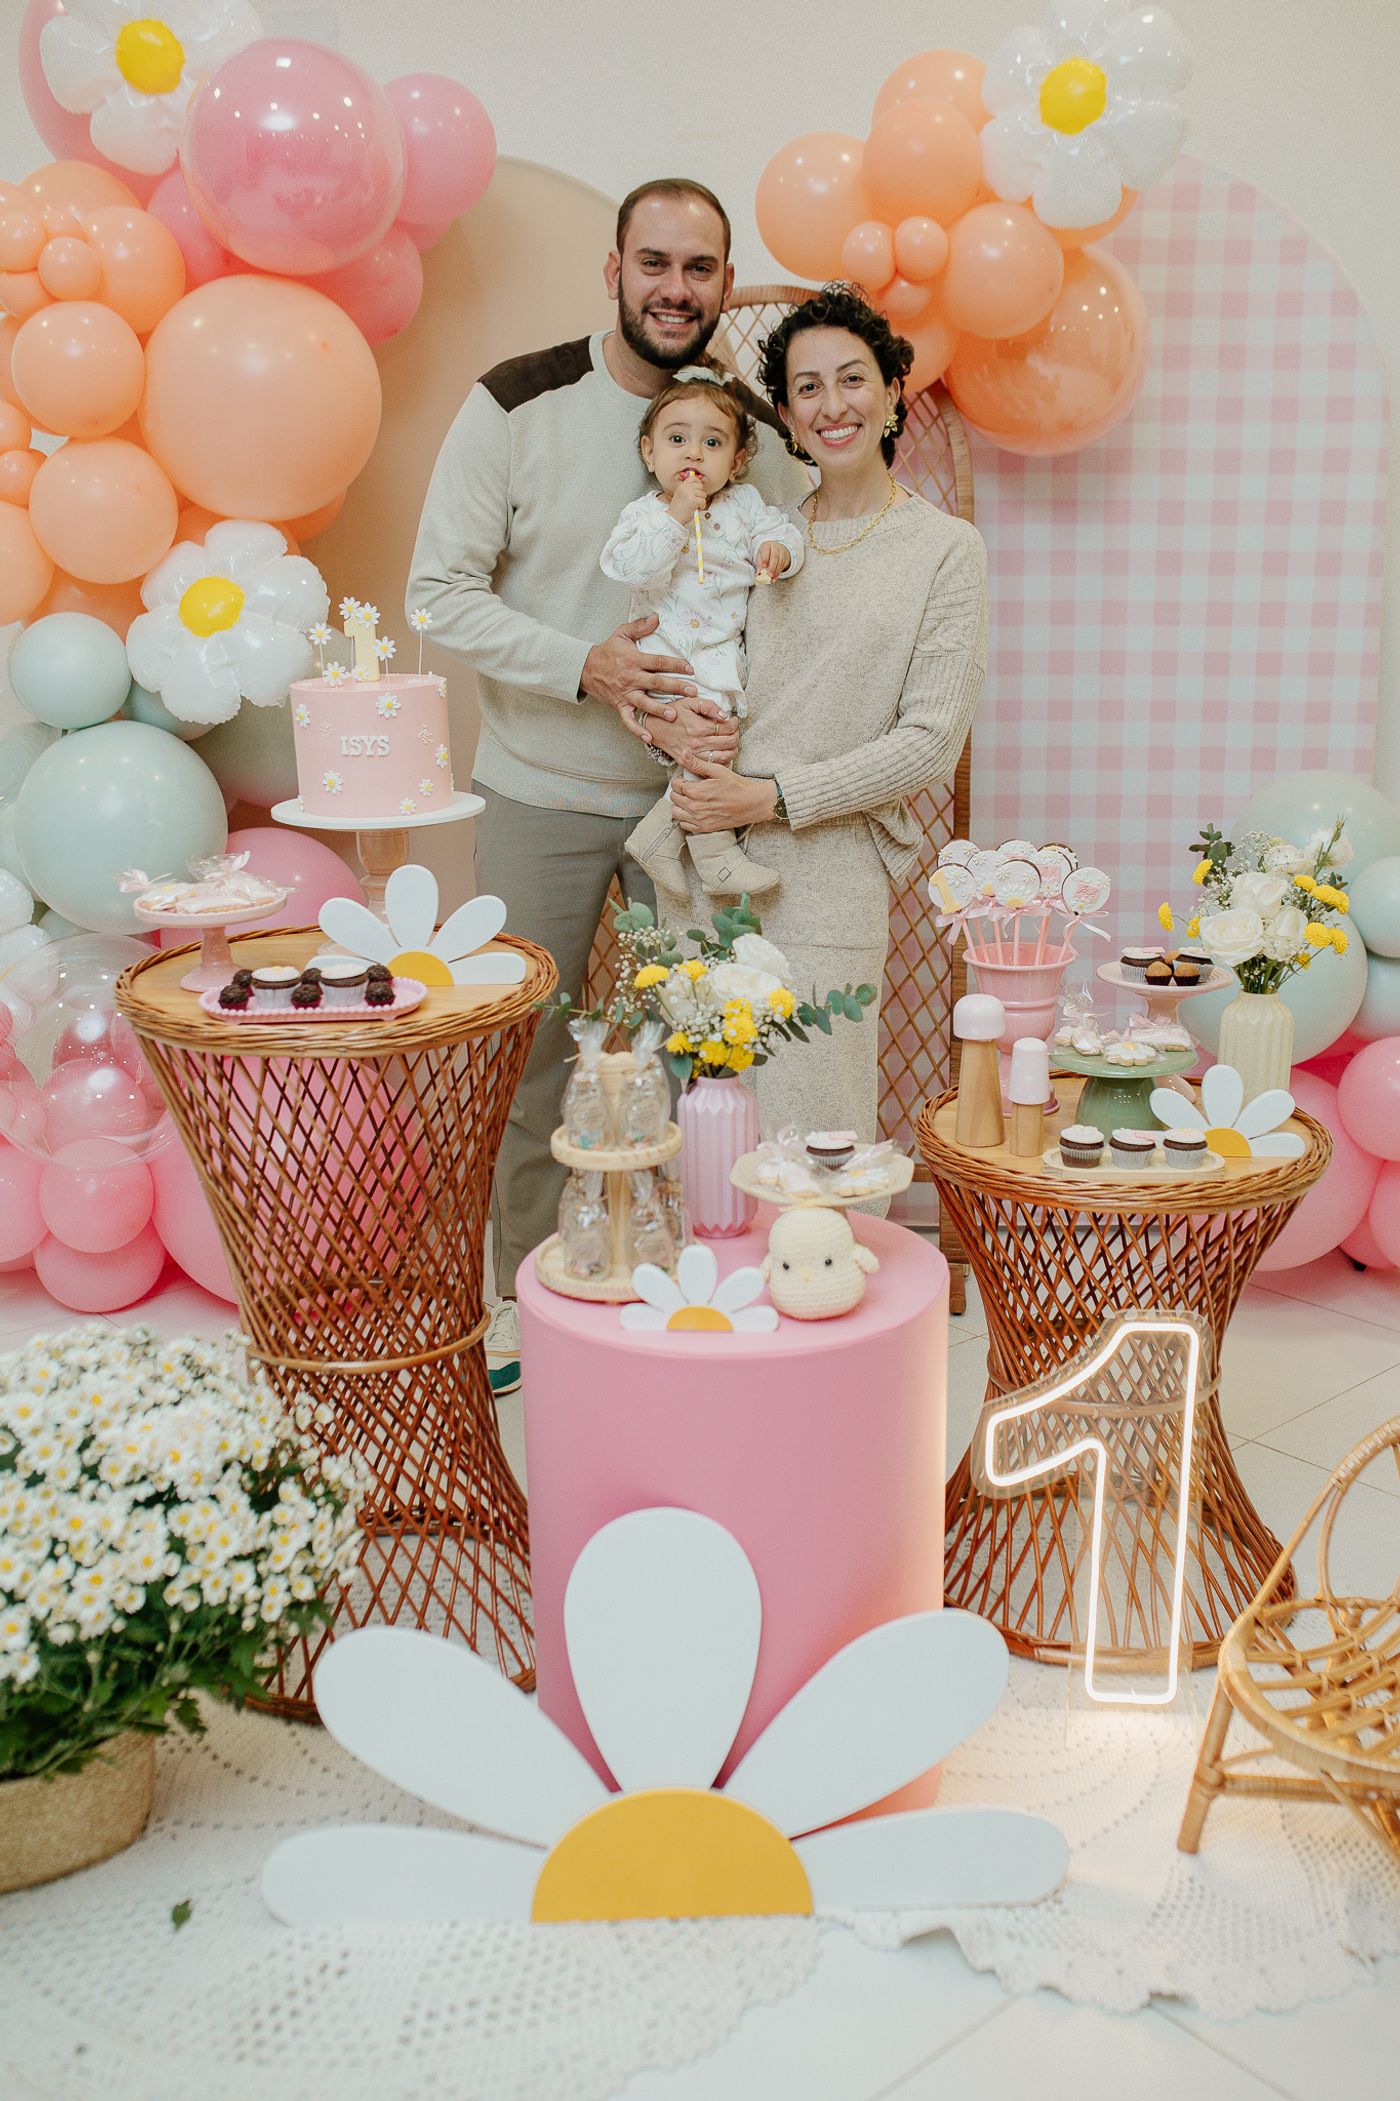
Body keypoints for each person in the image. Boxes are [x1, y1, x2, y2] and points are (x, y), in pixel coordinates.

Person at [407, 178, 804, 1395]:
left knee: (714, 1055)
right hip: (544, 787)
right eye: (654, 263)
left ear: (724, 283)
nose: (675, 289)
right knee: (530, 1057)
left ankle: (702, 1285)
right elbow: (438, 593)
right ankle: (530, 1303)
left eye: (699, 268)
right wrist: (584, 664)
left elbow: (797, 601)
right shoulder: (515, 400)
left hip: (699, 802)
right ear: (613, 270)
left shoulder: (756, 433)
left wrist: (754, 753)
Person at [634, 282, 989, 1151]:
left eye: (852, 378)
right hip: (709, 865)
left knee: (817, 1141)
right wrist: (664, 725)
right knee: (708, 1134)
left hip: (830, 878)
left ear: (893, 393)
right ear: (788, 417)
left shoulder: (945, 549)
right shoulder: (748, 538)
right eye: (807, 387)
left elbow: (929, 744)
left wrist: (768, 798)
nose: (833, 405)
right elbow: (683, 652)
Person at [603, 366, 805, 898]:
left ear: (735, 462)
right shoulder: (644, 514)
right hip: (665, 655)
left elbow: (782, 531)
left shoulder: (744, 505)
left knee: (715, 744)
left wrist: (779, 552)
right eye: (677, 440)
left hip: (719, 655)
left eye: (712, 443)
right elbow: (630, 568)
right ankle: (716, 857)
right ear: (650, 453)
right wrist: (674, 516)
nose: (693, 453)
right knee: (709, 747)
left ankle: (657, 838)